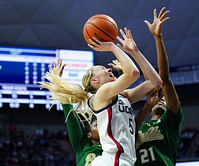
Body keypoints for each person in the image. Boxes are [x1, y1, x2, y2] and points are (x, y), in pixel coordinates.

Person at [40, 29, 162, 166]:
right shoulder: (101, 95)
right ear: (94, 81)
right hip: (113, 161)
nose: (109, 69)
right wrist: (112, 47)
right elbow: (133, 73)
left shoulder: (123, 96)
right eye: (103, 69)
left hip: (123, 161)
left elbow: (155, 82)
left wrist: (135, 51)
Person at [134, 7, 184, 166]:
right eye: (159, 97)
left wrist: (158, 37)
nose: (163, 99)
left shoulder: (171, 121)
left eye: (165, 98)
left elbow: (164, 80)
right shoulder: (139, 124)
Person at [42, 59, 102, 166]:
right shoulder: (81, 145)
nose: (101, 126)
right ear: (88, 135)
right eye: (96, 125)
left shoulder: (112, 145)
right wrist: (58, 81)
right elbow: (70, 117)